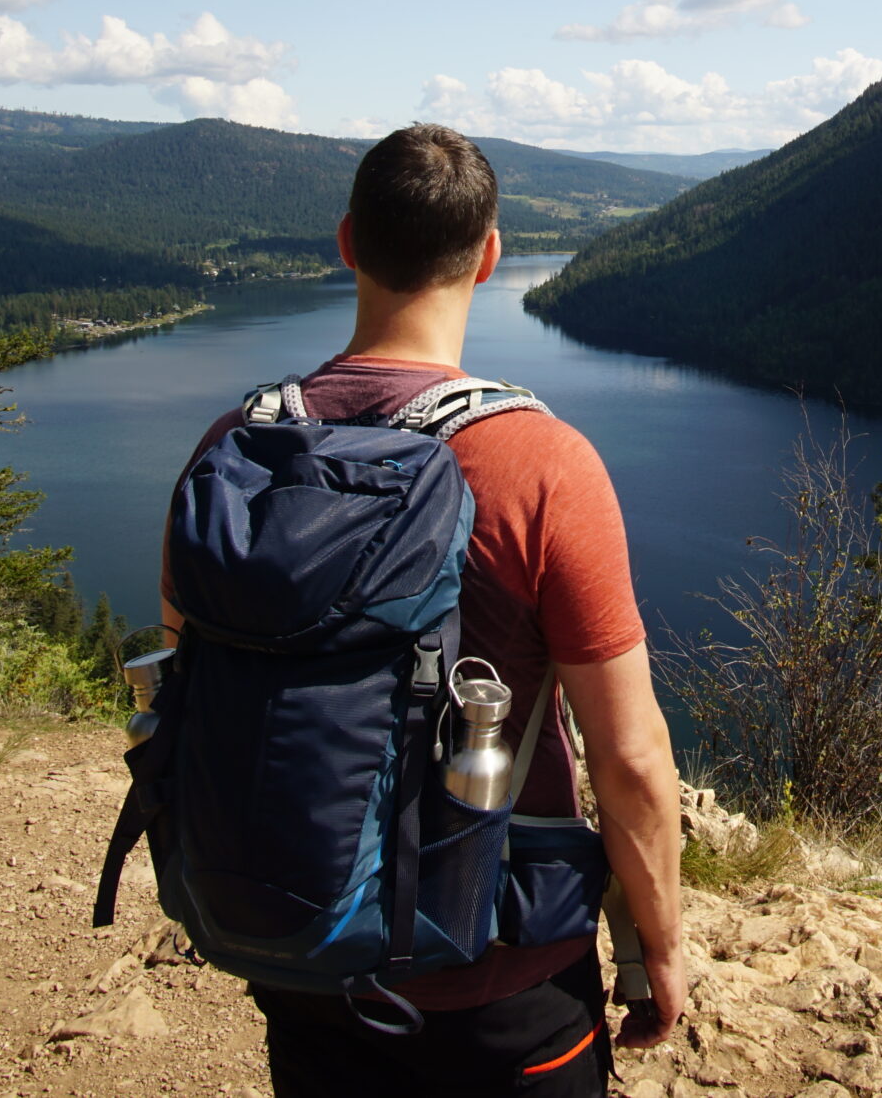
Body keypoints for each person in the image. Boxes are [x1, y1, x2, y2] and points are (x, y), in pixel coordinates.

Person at [158, 123, 687, 1098]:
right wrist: (658, 947)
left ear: (347, 242)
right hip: (504, 984)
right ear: (488, 257)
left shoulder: (234, 452)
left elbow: (186, 679)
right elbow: (630, 758)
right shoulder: (543, 463)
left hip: (306, 959)